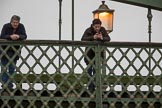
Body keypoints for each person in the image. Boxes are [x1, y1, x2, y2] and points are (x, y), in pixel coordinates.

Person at [81, 19, 111, 92]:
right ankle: (90, 88)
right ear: (93, 26)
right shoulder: (88, 30)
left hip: (98, 55)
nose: (97, 28)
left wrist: (102, 38)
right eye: (96, 27)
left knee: (96, 71)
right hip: (89, 55)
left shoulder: (103, 30)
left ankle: (95, 88)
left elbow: (108, 39)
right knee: (89, 71)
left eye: (98, 27)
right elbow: (83, 39)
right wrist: (93, 37)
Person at [0, 15, 27, 90]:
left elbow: (24, 36)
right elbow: (2, 36)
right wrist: (10, 37)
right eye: (14, 22)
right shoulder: (6, 26)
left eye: (17, 23)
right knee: (4, 68)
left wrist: (18, 36)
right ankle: (4, 85)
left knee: (12, 68)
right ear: (11, 22)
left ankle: (10, 85)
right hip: (4, 50)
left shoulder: (21, 27)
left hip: (15, 51)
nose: (15, 24)